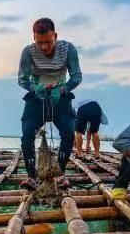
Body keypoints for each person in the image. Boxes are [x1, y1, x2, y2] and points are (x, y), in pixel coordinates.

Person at [18, 17, 82, 190]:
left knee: (68, 132)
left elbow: (76, 77)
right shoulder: (28, 52)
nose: (44, 47)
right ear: (34, 39)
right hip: (37, 96)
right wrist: (33, 88)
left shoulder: (68, 49)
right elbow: (22, 80)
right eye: (40, 43)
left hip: (60, 96)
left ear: (55, 35)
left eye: (48, 42)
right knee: (27, 133)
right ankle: (32, 176)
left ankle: (60, 174)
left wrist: (62, 90)